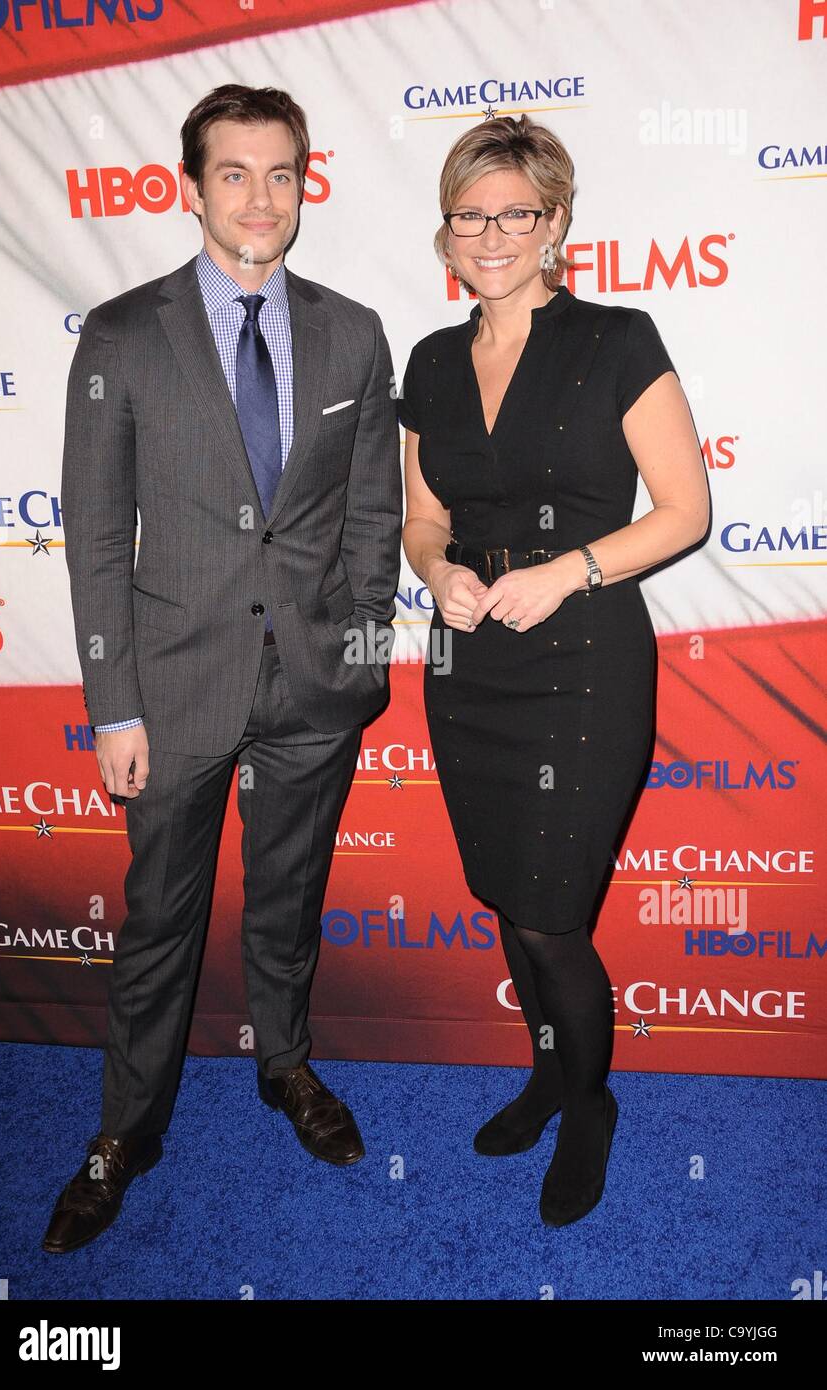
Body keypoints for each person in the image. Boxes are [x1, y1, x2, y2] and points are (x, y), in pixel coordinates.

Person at [45, 84, 402, 1254]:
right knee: (161, 919)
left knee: (288, 900)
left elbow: (374, 518)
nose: (261, 197)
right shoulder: (121, 334)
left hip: (314, 687)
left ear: (305, 184)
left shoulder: (353, 333)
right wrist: (114, 705)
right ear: (190, 188)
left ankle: (285, 1064)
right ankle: (124, 1131)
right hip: (174, 686)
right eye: (235, 173)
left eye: (281, 173)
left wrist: (359, 663)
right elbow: (98, 537)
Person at [399, 115, 709, 1228]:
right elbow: (422, 517)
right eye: (469, 215)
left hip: (581, 659)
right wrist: (438, 571)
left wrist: (567, 571)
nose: (490, 235)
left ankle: (589, 1105)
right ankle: (545, 1072)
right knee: (506, 894)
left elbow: (685, 510)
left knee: (548, 914)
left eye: (514, 213)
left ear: (556, 223)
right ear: (446, 230)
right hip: (469, 662)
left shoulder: (617, 339)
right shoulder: (431, 362)